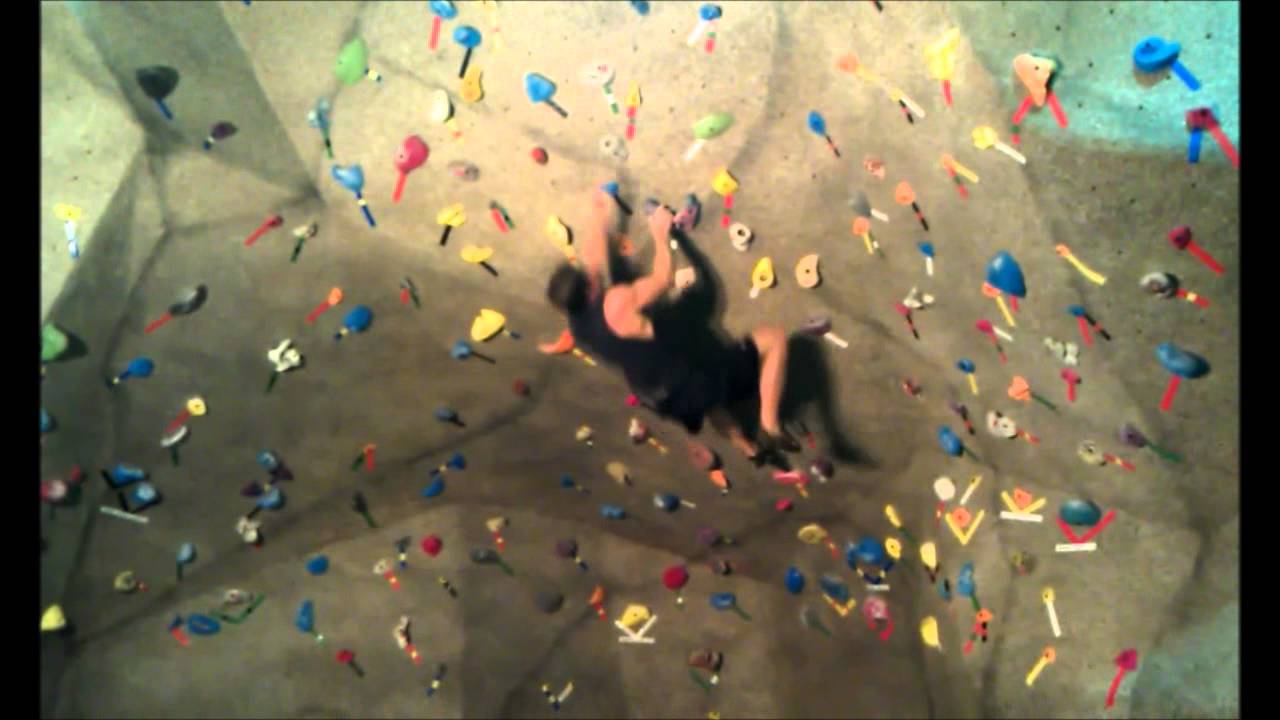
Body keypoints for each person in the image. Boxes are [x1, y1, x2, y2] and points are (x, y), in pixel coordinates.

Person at [545, 189, 799, 461]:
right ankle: (769, 427)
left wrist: (599, 214)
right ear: (590, 290)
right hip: (689, 380)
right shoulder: (615, 304)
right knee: (774, 339)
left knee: (711, 406)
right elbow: (664, 277)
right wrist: (660, 233)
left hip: (654, 393)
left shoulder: (576, 324)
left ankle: (749, 449)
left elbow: (592, 261)